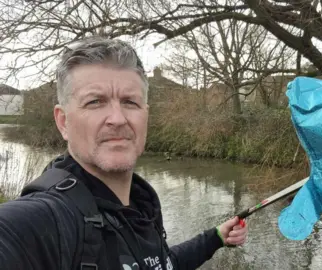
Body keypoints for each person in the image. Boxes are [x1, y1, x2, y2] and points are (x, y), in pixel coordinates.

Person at [0, 37, 248, 270]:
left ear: (146, 116)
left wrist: (215, 238)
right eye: (95, 102)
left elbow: (162, 263)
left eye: (130, 102)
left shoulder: (141, 206)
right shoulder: (43, 221)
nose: (118, 119)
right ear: (63, 121)